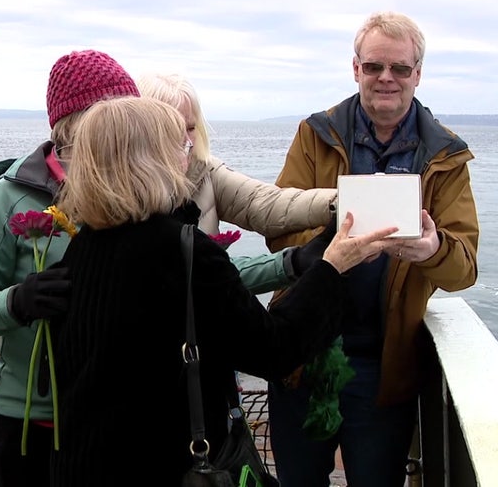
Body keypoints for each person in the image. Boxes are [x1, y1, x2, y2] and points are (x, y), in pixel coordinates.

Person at [46, 96, 398, 485]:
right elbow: (274, 349)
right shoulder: (184, 252)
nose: (189, 156)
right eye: (180, 146)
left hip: (82, 465)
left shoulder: (79, 249)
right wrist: (333, 268)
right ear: (155, 160)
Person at [265, 11, 480, 486]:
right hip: (305, 352)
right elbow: (278, 229)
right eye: (374, 66)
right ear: (355, 68)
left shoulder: (445, 156)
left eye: (400, 68)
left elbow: (464, 268)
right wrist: (332, 248)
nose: (387, 78)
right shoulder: (315, 134)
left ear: (418, 75)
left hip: (385, 366)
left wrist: (431, 249)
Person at [0, 49, 140, 486]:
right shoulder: (10, 196)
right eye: (111, 117)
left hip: (117, 419)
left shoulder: (137, 193)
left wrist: (299, 263)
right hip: (28, 424)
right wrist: (18, 301)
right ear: (74, 126)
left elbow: (205, 269)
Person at [135, 72, 338, 293]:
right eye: (173, 128)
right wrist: (294, 262)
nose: (186, 139)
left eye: (191, 128)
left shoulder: (205, 172)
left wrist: (337, 203)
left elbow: (265, 204)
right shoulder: (124, 195)